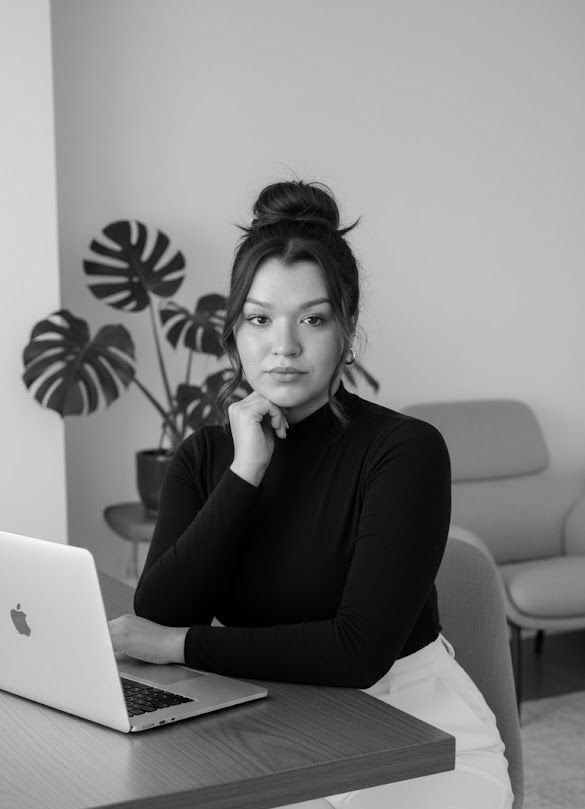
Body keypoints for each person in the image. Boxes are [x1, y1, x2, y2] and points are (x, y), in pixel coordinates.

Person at [109, 179, 514, 809]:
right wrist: (245, 473)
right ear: (234, 333)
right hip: (268, 719)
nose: (285, 346)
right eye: (261, 319)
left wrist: (177, 647)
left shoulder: (405, 450)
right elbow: (162, 608)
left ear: (346, 330)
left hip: (413, 724)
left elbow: (358, 653)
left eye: (314, 319)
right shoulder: (206, 455)